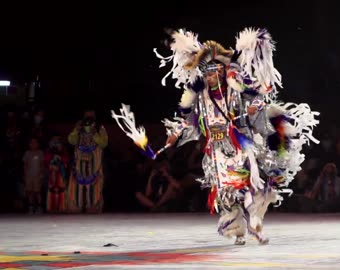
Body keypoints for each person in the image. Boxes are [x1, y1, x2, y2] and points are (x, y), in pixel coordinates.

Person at [112, 28, 319, 245]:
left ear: (221, 72)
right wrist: (175, 134)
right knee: (227, 193)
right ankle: (238, 230)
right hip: (217, 150)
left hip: (241, 144)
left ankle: (256, 225)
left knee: (251, 185)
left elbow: (258, 97)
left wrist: (253, 108)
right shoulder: (201, 96)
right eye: (207, 74)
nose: (210, 78)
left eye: (214, 73)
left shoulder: (235, 89)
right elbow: (190, 120)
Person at [67, 109, 108, 213]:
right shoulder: (79, 127)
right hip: (79, 167)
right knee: (76, 199)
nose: (89, 116)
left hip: (94, 167)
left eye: (91, 114)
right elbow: (71, 141)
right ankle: (76, 206)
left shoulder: (100, 128)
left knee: (94, 195)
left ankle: (93, 207)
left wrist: (95, 134)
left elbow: (103, 144)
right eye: (87, 114)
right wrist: (76, 130)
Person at [44, 136, 69, 213]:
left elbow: (66, 160)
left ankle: (62, 207)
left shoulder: (64, 151)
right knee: (52, 190)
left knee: (61, 189)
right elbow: (46, 161)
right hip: (51, 173)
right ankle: (51, 207)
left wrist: (61, 160)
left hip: (61, 174)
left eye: (57, 141)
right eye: (53, 140)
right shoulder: (48, 151)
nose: (55, 142)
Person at [23, 137, 45, 214]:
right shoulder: (27, 153)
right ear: (29, 144)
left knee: (37, 192)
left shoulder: (40, 153)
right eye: (31, 143)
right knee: (30, 192)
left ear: (38, 144)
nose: (33, 144)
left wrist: (42, 174)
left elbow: (42, 164)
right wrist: (25, 175)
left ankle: (39, 207)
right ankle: (31, 207)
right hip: (29, 176)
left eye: (35, 142)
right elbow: (25, 165)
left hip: (37, 176)